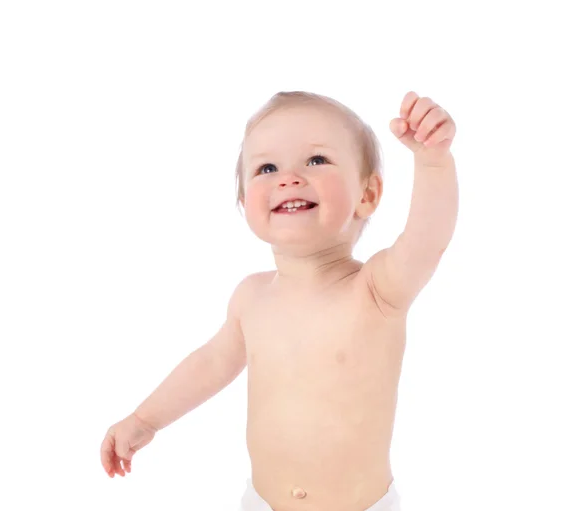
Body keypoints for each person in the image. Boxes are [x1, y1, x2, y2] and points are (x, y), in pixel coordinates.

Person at [100, 90, 459, 511]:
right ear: (244, 203)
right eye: (266, 167)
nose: (289, 177)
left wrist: (433, 161)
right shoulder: (251, 299)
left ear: (368, 194)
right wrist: (145, 419)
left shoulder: (377, 289)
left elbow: (428, 238)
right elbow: (209, 364)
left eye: (316, 160)